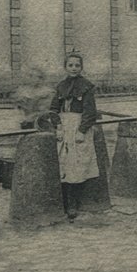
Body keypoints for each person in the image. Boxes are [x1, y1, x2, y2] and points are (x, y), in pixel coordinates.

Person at [47, 53, 99, 221]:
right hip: (64, 129)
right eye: (70, 65)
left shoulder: (87, 87)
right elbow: (53, 108)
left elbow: (90, 112)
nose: (74, 68)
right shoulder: (61, 86)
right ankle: (62, 200)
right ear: (65, 67)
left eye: (77, 65)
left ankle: (73, 203)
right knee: (63, 163)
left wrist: (82, 130)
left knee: (77, 165)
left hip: (78, 129)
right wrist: (58, 126)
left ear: (81, 68)